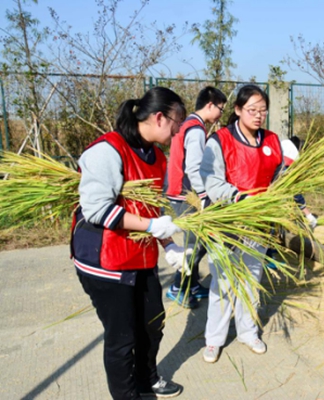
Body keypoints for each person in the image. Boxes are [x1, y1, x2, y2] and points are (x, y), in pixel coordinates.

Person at [71, 87, 187, 399]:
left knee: (152, 323)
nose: (179, 130)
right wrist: (151, 225)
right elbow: (97, 211)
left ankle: (147, 378)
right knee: (122, 337)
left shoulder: (157, 157)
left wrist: (169, 244)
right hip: (104, 258)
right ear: (159, 117)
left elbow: (153, 209)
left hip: (140, 254)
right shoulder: (107, 150)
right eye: (178, 122)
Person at [200, 85, 283, 363]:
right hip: (226, 224)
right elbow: (211, 182)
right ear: (237, 110)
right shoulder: (220, 140)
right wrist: (239, 197)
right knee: (222, 283)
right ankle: (214, 340)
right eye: (252, 110)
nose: (258, 115)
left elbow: (279, 177)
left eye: (263, 110)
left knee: (252, 279)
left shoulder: (272, 140)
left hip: (258, 224)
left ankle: (248, 332)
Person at [164, 86, 227, 308]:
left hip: (178, 191)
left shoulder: (186, 123)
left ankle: (191, 283)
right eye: (220, 108)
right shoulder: (196, 129)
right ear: (210, 105)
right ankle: (178, 287)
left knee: (198, 242)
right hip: (185, 195)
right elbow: (193, 167)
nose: (220, 114)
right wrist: (203, 198)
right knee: (195, 244)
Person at [265, 136, 318, 270]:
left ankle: (269, 252)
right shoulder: (287, 160)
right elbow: (294, 192)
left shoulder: (281, 149)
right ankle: (267, 257)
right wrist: (307, 214)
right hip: (266, 199)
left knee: (272, 226)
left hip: (268, 196)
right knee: (268, 226)